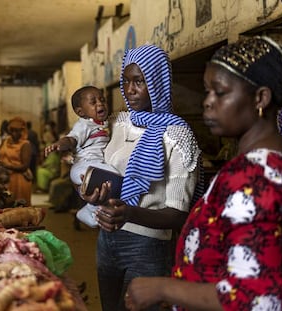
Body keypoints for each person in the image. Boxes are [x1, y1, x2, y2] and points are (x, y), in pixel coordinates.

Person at [124, 36, 282, 311]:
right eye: (207, 91)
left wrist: (164, 288)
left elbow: (253, 298)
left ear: (261, 97)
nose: (207, 103)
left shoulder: (253, 178)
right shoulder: (269, 164)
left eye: (220, 92)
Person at [81, 45, 203, 311]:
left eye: (140, 81)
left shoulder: (178, 136)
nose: (130, 89)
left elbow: (179, 214)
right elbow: (95, 166)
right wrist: (89, 190)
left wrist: (129, 214)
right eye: (126, 81)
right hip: (106, 239)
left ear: (158, 81)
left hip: (148, 246)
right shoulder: (116, 123)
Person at [45, 85, 114, 227]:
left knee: (106, 189)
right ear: (81, 112)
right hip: (83, 166)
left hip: (94, 165)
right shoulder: (84, 125)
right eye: (93, 102)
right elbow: (72, 139)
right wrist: (60, 144)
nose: (100, 104)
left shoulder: (104, 123)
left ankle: (90, 211)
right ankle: (88, 210)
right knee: (113, 177)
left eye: (102, 100)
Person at [0, 116, 33, 205]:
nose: (14, 133)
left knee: (19, 208)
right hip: (4, 179)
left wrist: (7, 166)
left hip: (18, 180)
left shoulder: (25, 144)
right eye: (12, 130)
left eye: (17, 131)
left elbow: (25, 166)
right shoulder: (5, 141)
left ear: (23, 131)